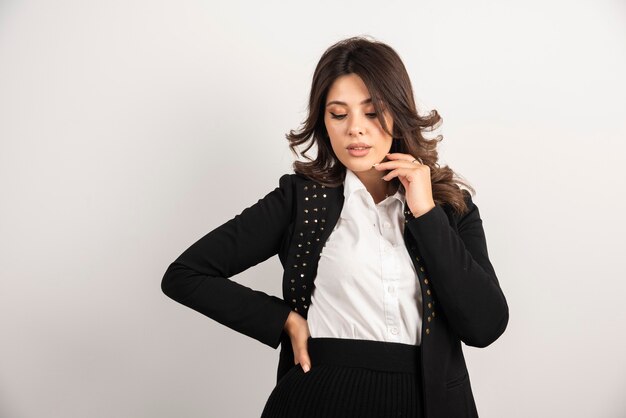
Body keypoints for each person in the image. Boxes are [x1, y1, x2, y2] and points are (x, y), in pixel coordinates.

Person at [161, 35, 509, 418]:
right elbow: (186, 274)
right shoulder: (299, 199)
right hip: (320, 400)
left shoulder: (450, 207)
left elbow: (485, 326)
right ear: (323, 122)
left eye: (372, 112)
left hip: (431, 403)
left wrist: (426, 212)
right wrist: (283, 321)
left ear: (398, 113)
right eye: (338, 114)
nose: (355, 129)